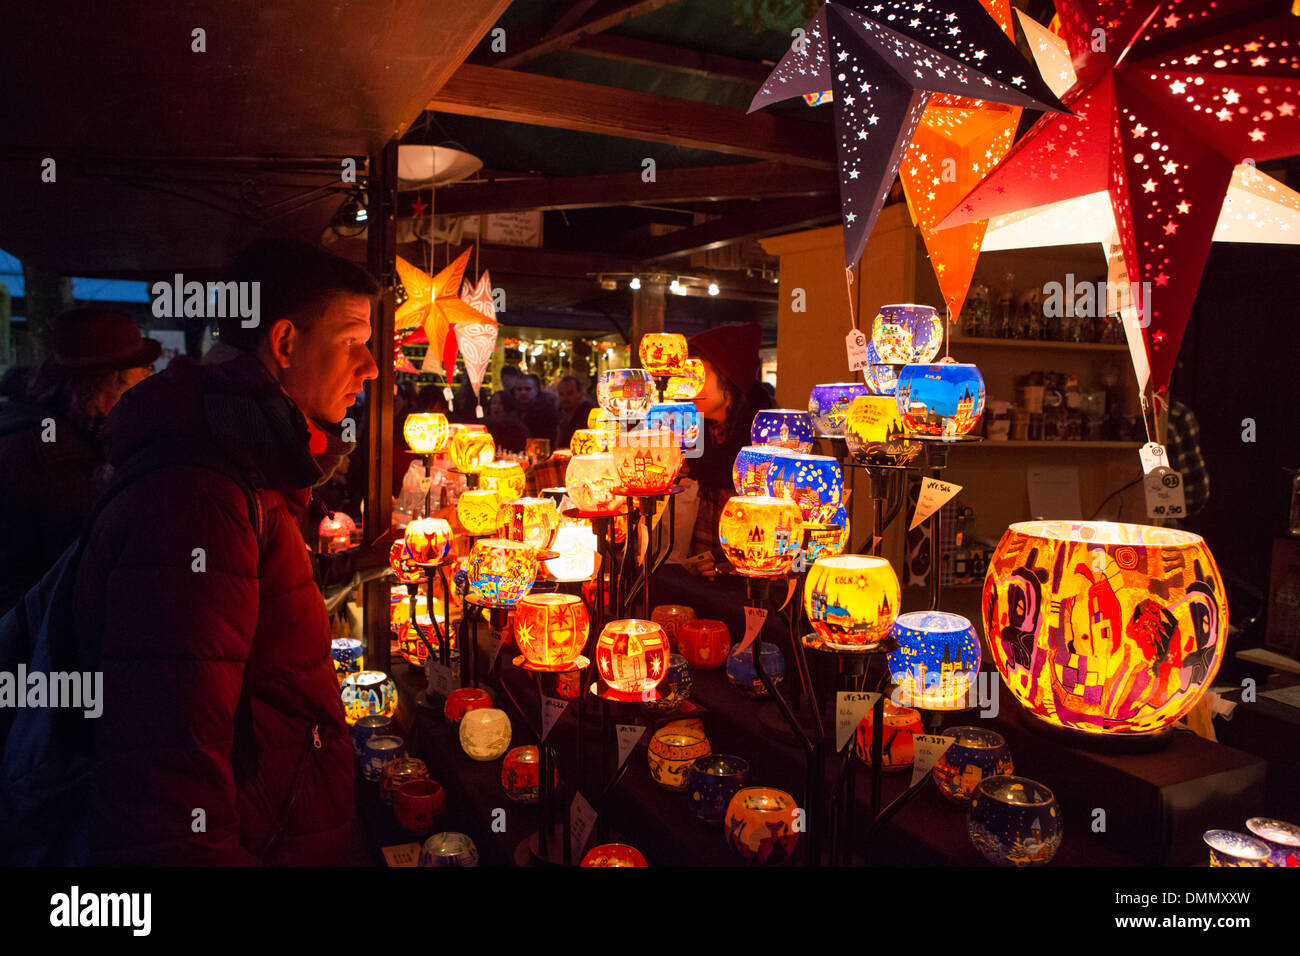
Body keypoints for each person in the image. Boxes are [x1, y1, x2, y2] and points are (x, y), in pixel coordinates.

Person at [72, 238, 379, 864]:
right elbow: (165, 774)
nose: (372, 365)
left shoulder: (248, 465)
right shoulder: (199, 497)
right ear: (286, 343)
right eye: (352, 339)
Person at [0, 309, 159, 616]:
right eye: (144, 372)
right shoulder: (52, 456)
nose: (150, 381)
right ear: (108, 386)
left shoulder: (49, 430)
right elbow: (84, 562)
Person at [680, 322, 772, 578]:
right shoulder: (691, 434)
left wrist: (724, 564)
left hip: (746, 577)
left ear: (729, 378)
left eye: (698, 377)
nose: (688, 387)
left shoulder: (764, 445)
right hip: (694, 573)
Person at [513, 371, 559, 441]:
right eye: (519, 389)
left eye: (528, 389)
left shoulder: (547, 412)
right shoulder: (510, 410)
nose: (523, 392)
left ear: (536, 390)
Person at [554, 374, 595, 450]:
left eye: (570, 393)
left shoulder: (588, 413)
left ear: (580, 393)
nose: (565, 398)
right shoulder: (558, 412)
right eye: (561, 394)